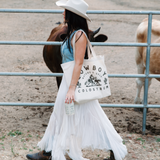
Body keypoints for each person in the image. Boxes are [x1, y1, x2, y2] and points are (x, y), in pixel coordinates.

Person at [26, 0, 128, 160]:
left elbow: (79, 62)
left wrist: (71, 88)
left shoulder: (79, 35)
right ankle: (48, 152)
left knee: (95, 117)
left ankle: (115, 149)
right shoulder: (72, 32)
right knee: (59, 114)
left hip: (75, 83)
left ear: (72, 14)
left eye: (65, 11)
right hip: (69, 81)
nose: (62, 13)